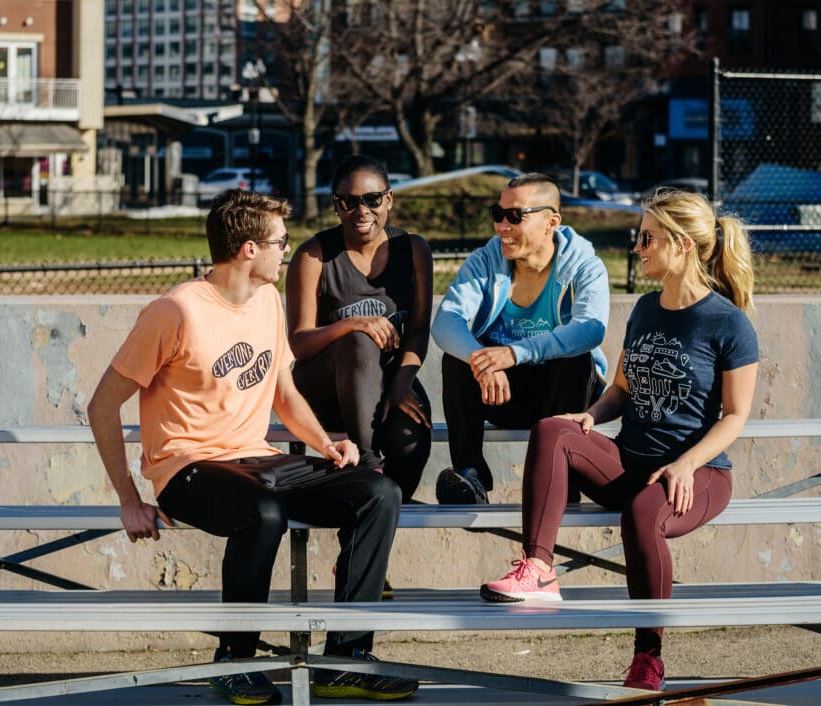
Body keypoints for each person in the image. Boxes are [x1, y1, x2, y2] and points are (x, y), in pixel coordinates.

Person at [87, 190, 418, 705]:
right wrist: (130, 499)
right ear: (248, 249)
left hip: (260, 459)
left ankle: (344, 660)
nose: (287, 250)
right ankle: (236, 660)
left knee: (380, 493)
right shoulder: (174, 311)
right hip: (187, 468)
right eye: (280, 242)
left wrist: (326, 446)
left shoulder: (265, 300)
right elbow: (101, 406)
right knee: (263, 513)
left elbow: (284, 393)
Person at [479, 189, 759, 692]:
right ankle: (538, 570)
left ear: (683, 245)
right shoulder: (647, 310)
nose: (638, 247)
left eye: (647, 237)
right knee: (553, 429)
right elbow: (622, 390)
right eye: (640, 236)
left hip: (699, 475)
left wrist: (687, 465)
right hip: (631, 461)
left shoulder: (728, 323)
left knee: (643, 513)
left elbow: (736, 416)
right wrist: (589, 416)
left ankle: (648, 658)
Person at [430, 173, 609, 504]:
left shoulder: (584, 264)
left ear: (550, 222)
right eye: (497, 214)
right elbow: (445, 321)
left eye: (515, 216)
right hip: (501, 393)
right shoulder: (486, 260)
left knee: (575, 358)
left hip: (565, 398)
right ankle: (471, 475)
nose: (502, 227)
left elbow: (591, 328)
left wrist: (514, 353)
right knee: (457, 358)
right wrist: (482, 362)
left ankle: (561, 478)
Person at [287, 155, 433, 503]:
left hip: (384, 383)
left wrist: (401, 384)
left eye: (372, 199)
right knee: (359, 340)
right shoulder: (313, 256)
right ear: (336, 206)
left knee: (413, 430)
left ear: (389, 199)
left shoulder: (413, 250)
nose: (362, 211)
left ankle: (369, 528)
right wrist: (351, 324)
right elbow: (298, 344)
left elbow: (417, 331)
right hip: (324, 390)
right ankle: (368, 465)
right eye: (349, 202)